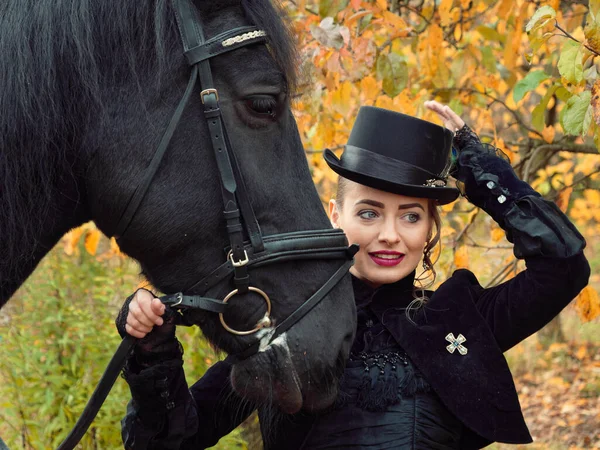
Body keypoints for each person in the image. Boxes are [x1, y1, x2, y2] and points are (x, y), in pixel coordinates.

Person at [115, 102, 590, 449]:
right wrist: (154, 350)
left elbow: (563, 267)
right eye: (368, 213)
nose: (391, 235)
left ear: (429, 229)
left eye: (410, 216)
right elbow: (167, 441)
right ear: (334, 215)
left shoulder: (461, 321)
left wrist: (476, 165)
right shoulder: (286, 331)